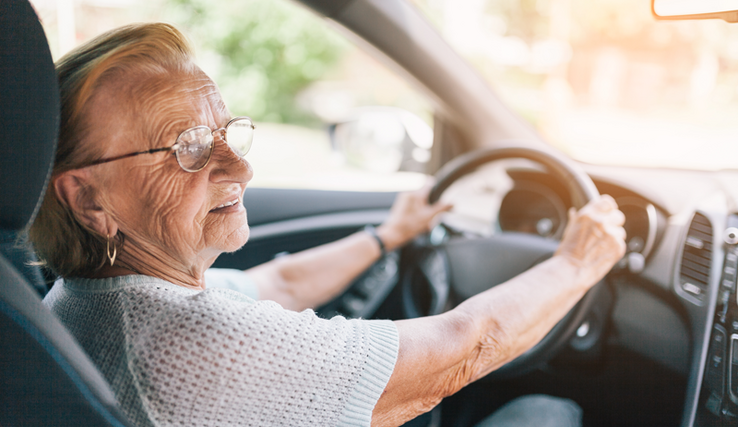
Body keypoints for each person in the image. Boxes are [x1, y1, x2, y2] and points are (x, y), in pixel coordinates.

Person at [30, 23, 626, 427]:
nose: (239, 164)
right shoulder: (186, 341)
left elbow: (281, 283)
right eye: (186, 146)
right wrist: (577, 263)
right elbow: (459, 351)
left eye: (226, 132)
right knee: (549, 412)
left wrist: (386, 237)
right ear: (88, 201)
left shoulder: (85, 301)